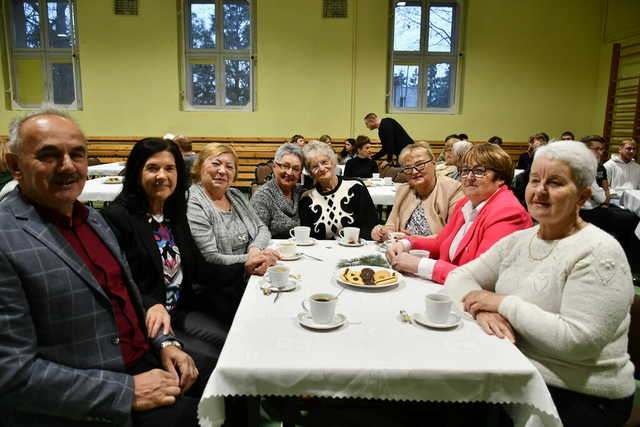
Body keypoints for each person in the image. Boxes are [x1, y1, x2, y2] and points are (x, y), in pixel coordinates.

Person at [0, 110, 202, 426]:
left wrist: (166, 344)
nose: (67, 166)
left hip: (141, 359)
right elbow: (10, 373)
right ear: (14, 166)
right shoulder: (5, 238)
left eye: (77, 154)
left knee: (213, 384)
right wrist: (125, 391)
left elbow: (128, 298)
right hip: (87, 399)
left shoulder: (93, 219)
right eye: (49, 155)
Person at [442, 141, 635, 427]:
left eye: (555, 182)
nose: (540, 190)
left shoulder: (598, 251)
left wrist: (502, 303)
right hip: (517, 371)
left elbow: (578, 342)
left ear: (582, 196)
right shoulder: (520, 240)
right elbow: (459, 277)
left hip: (580, 392)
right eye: (535, 180)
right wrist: (482, 310)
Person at [102, 138, 263, 381]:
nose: (162, 176)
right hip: (148, 321)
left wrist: (246, 267)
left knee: (239, 344)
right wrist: (149, 304)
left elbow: (199, 268)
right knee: (222, 364)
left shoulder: (173, 215)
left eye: (169, 168)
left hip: (181, 311)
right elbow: (115, 282)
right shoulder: (117, 218)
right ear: (137, 172)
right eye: (152, 168)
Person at [386, 143, 532, 284]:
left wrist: (419, 265)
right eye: (465, 170)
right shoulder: (466, 204)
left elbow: (481, 278)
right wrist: (405, 244)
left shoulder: (507, 212)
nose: (468, 177)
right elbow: (440, 242)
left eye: (479, 171)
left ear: (500, 178)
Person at [372, 142, 463, 241]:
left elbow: (453, 234)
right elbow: (391, 224)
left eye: (420, 164)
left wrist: (415, 241)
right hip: (401, 249)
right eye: (408, 168)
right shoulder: (403, 190)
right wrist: (383, 232)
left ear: (433, 164)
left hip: (432, 252)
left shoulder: (453, 189)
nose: (414, 171)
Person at [299, 141, 378, 240]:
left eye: (324, 162)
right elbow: (309, 237)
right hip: (322, 252)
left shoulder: (356, 187)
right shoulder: (307, 198)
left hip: (355, 248)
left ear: (332, 162)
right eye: (315, 166)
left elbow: (371, 224)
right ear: (310, 172)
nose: (322, 168)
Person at [579, 135, 639, 262]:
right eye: (597, 149)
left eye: (602, 150)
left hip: (594, 205)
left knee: (630, 215)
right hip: (586, 211)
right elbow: (600, 196)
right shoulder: (586, 166)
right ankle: (630, 260)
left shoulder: (637, 167)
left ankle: (623, 254)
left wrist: (604, 195)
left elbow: (601, 191)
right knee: (631, 219)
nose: (601, 153)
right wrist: (605, 196)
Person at [251, 143, 306, 239]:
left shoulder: (301, 193)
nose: (289, 173)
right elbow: (256, 235)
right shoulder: (262, 197)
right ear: (274, 166)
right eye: (285, 166)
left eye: (296, 169)